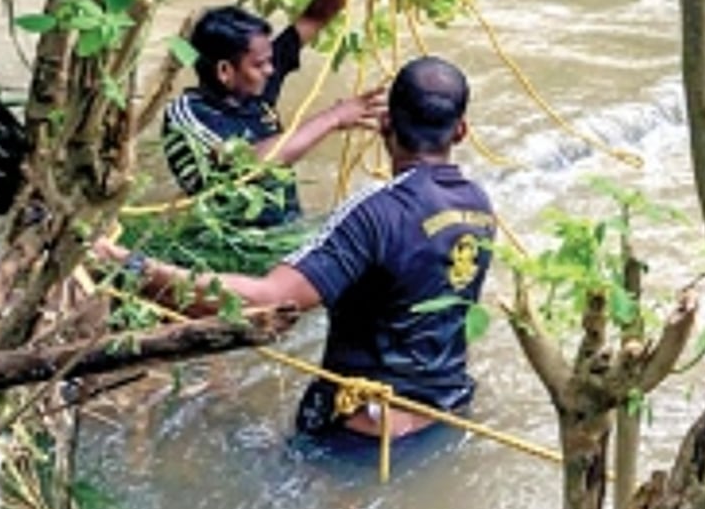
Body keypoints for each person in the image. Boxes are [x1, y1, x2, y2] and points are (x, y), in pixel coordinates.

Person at [105, 56, 495, 439]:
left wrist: (121, 264)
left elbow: (266, 302)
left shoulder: (375, 212)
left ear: (384, 122)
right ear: (461, 131)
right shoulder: (479, 205)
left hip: (364, 437)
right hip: (448, 414)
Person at [163, 0, 385, 227]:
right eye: (260, 64)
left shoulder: (252, 82)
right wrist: (333, 118)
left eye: (270, 61)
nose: (271, 70)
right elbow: (250, 163)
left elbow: (315, 17)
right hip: (237, 245)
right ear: (225, 71)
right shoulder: (188, 115)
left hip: (287, 228)